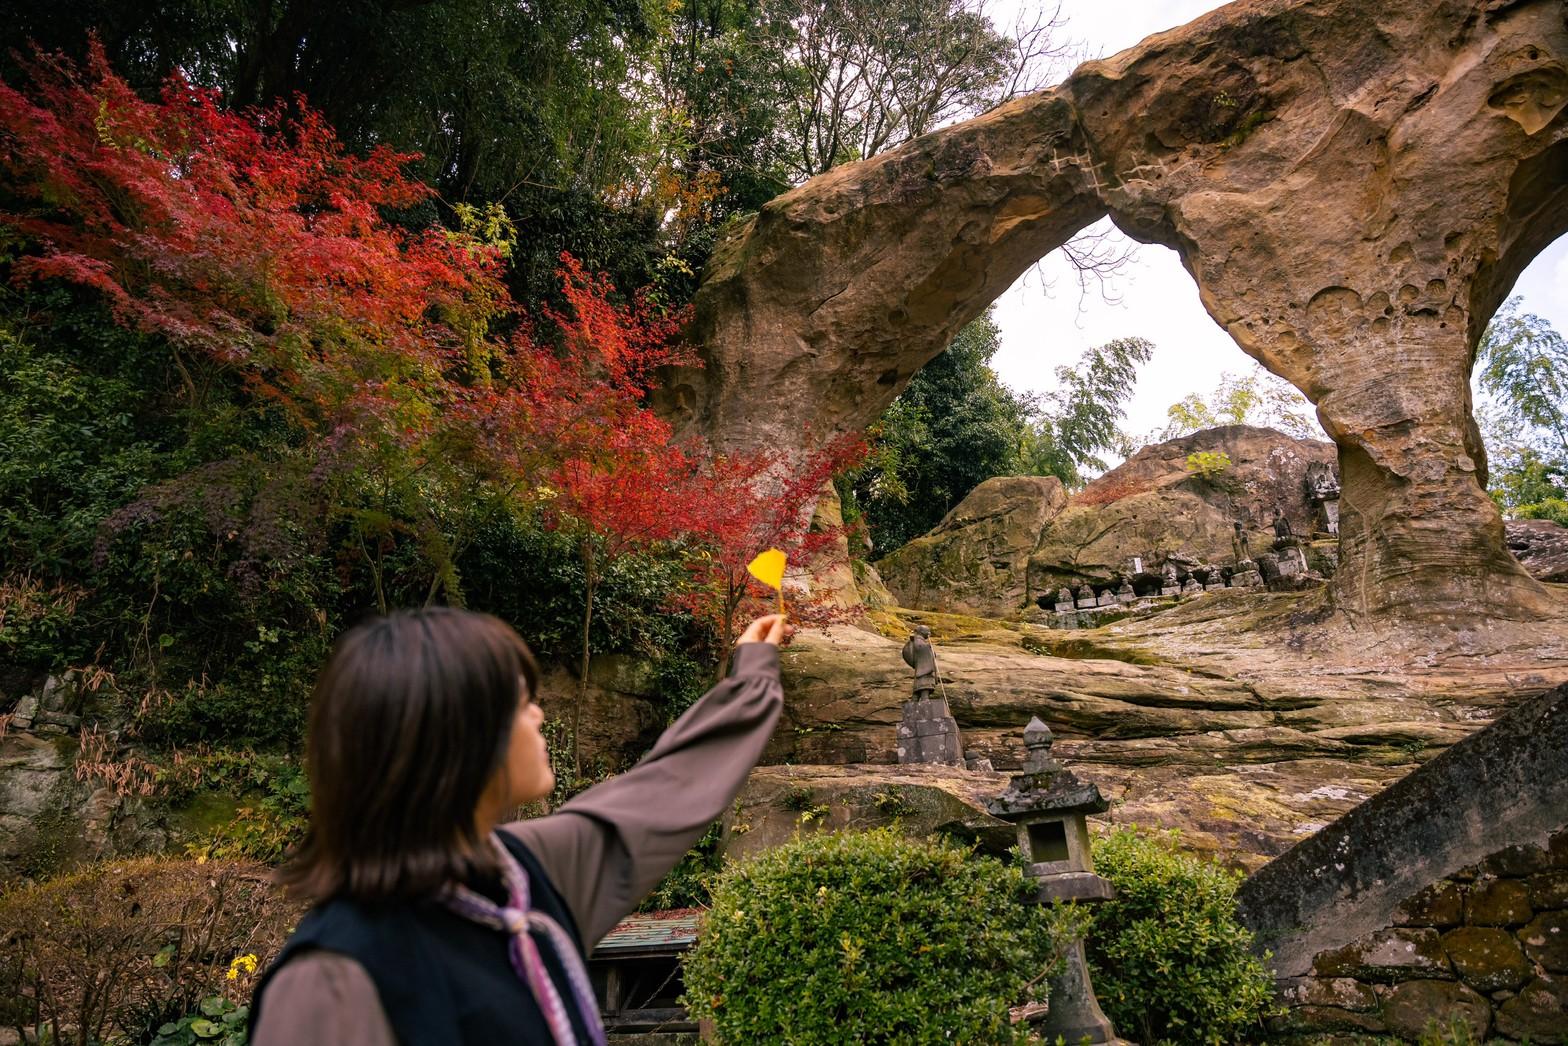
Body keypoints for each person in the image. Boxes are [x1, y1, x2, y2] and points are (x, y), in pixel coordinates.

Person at [247, 607, 788, 1046]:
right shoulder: (331, 982)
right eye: (524, 701)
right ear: (459, 735)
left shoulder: (521, 877)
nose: (540, 716)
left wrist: (753, 672)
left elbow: (666, 791)